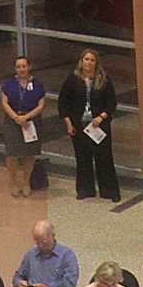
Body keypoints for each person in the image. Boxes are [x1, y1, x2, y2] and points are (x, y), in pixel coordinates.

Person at [59, 47, 119, 202]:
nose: (89, 63)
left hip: (99, 126)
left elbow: (112, 103)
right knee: (83, 158)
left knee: (104, 158)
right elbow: (63, 103)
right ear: (81, 61)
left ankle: (109, 190)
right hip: (79, 126)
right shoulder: (73, 79)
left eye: (92, 60)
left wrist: (101, 117)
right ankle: (85, 189)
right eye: (86, 59)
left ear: (96, 63)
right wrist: (68, 123)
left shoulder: (104, 80)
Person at [0, 55, 47, 197]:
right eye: (18, 67)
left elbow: (41, 105)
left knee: (29, 153)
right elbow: (4, 103)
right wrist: (16, 117)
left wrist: (26, 117)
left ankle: (26, 181)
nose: (21, 69)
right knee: (11, 153)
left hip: (31, 122)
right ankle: (13, 181)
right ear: (15, 69)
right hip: (12, 122)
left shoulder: (37, 84)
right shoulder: (9, 84)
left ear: (29, 67)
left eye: (24, 66)